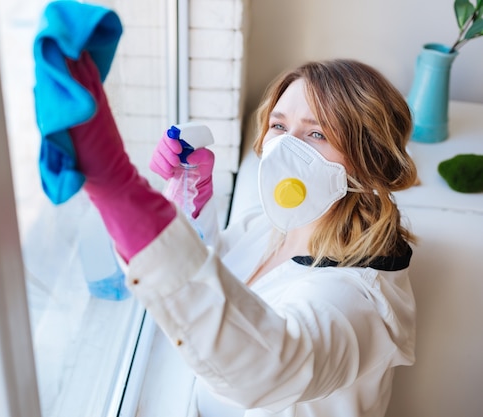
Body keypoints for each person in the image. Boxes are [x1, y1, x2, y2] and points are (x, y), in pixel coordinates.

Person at [66, 53, 418, 417]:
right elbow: (218, 277)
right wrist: (193, 196)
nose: (284, 148)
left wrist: (119, 191)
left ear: (367, 158)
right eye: (279, 127)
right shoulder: (275, 224)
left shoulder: (358, 301)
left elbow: (265, 370)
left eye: (317, 134)